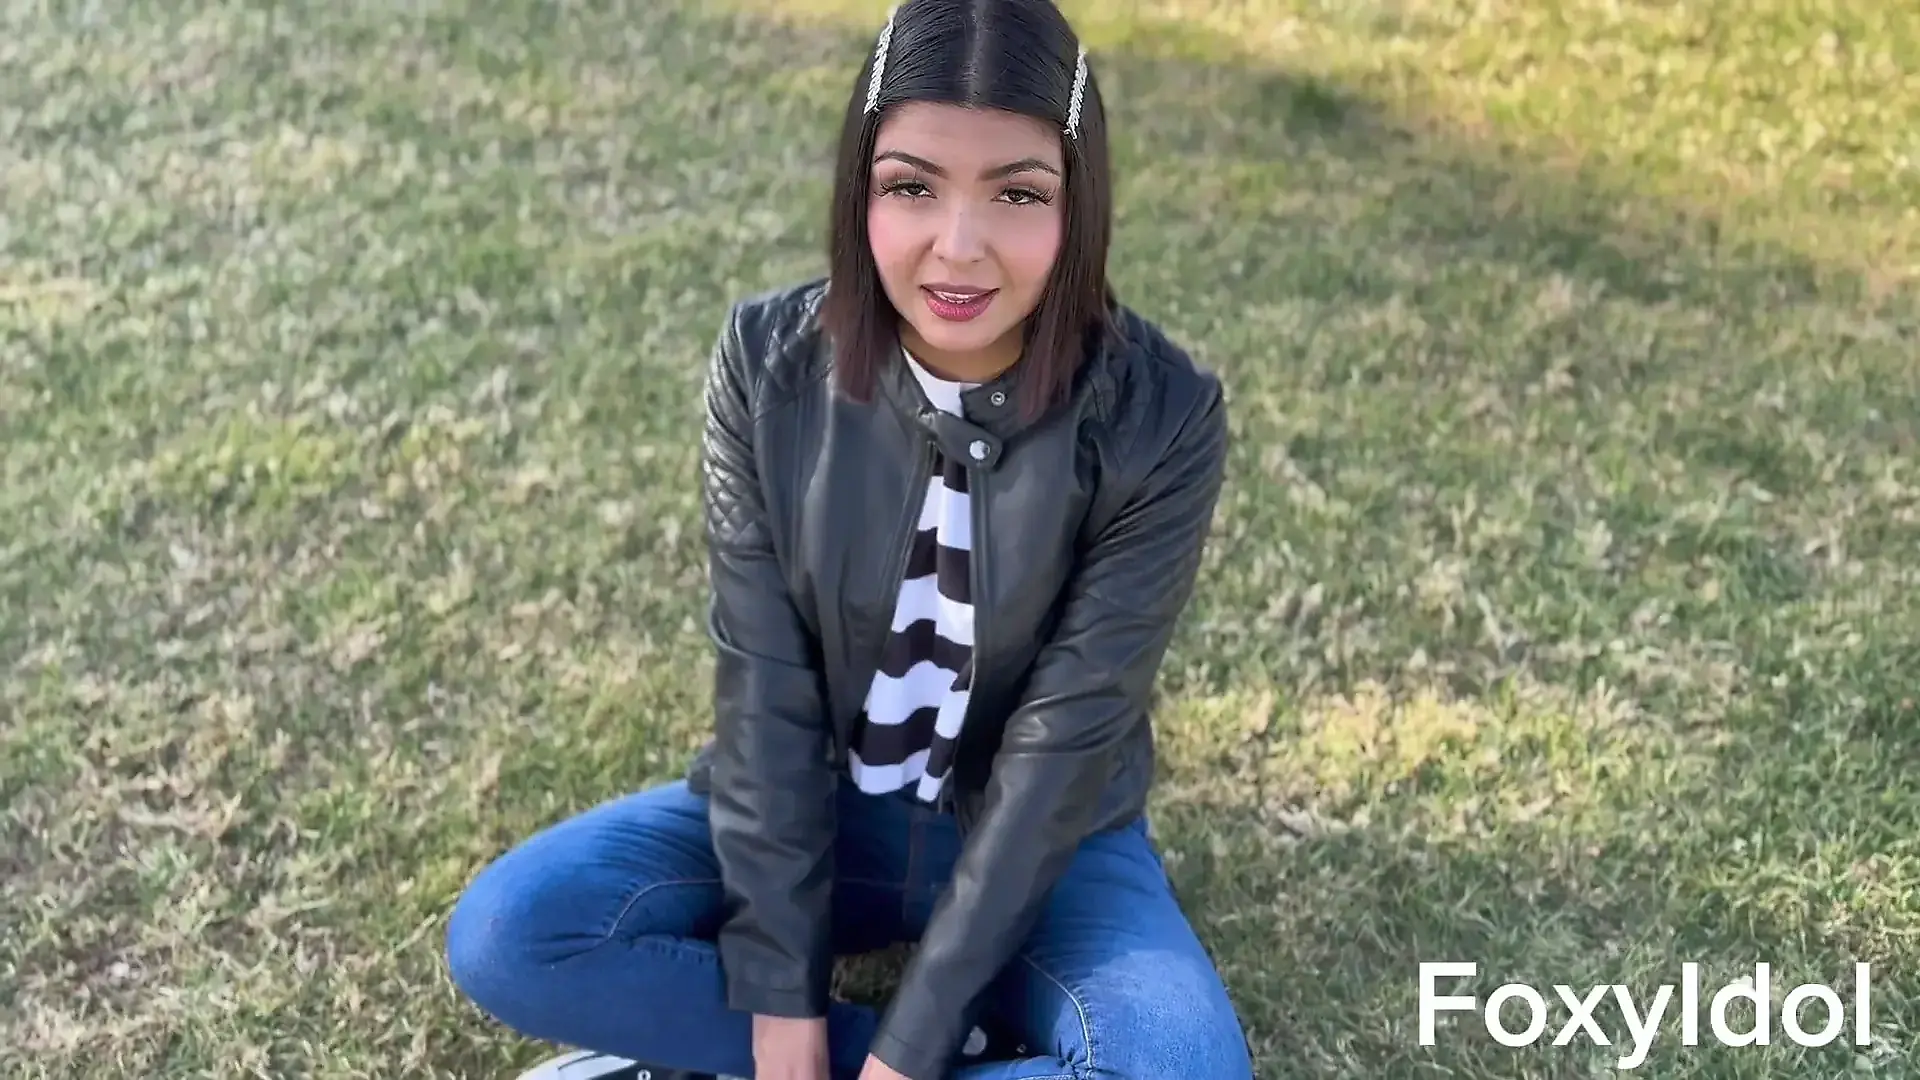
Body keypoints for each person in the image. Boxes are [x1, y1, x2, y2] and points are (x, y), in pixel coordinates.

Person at [443, 1, 1253, 1078]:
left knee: (1183, 1064)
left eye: (1017, 193)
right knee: (513, 931)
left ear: (1079, 199)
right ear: (859, 186)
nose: (957, 246)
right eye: (912, 186)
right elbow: (765, 694)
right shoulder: (765, 364)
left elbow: (1065, 747)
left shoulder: (1162, 417)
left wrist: (909, 1054)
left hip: (1047, 845)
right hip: (817, 811)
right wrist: (783, 1011)